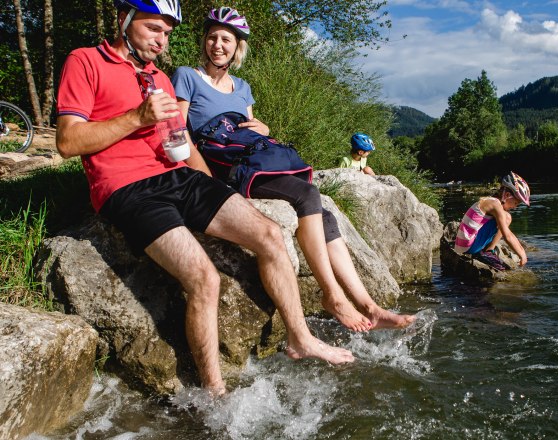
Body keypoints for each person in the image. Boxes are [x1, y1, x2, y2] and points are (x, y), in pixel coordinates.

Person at [55, 0, 354, 398]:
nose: (162, 41)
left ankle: (300, 337)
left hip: (179, 177)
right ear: (125, 20)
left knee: (268, 234)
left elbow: (181, 144)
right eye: (153, 29)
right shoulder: (86, 60)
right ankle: (215, 393)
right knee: (204, 278)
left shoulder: (159, 79)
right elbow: (67, 142)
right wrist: (137, 118)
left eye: (167, 34)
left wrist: (216, 191)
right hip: (126, 187)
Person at [171, 7, 415, 332]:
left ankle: (369, 306)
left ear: (237, 47)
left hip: (250, 162)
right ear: (204, 41)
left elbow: (251, 136)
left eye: (226, 40)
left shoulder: (242, 87)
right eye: (212, 37)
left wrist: (265, 127)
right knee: (308, 194)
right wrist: (203, 177)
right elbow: (178, 131)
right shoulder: (186, 76)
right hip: (223, 169)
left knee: (324, 215)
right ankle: (333, 297)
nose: (218, 45)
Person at [453, 172, 530, 270]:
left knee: (506, 216)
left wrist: (521, 250)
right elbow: (507, 235)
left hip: (463, 245)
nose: (515, 207)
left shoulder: (491, 201)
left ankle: (487, 250)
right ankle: (488, 251)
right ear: (507, 195)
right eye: (515, 203)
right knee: (507, 217)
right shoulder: (495, 205)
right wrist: (521, 254)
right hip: (469, 247)